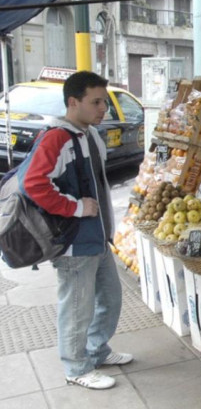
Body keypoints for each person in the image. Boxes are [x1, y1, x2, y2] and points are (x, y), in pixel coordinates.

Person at [17, 71, 132, 390]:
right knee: (77, 307)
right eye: (95, 102)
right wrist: (77, 207)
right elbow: (34, 184)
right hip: (73, 242)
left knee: (109, 297)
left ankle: (96, 351)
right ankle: (76, 366)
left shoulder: (87, 133)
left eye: (104, 102)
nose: (102, 109)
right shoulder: (58, 137)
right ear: (73, 102)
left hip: (96, 238)